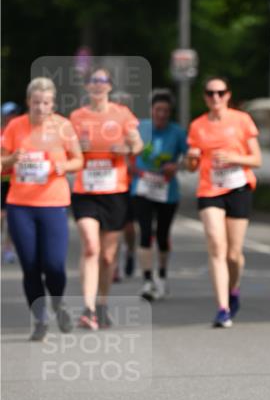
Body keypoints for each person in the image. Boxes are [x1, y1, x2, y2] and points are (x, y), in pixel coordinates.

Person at [0, 78, 83, 340]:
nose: (40, 108)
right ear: (28, 103)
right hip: (20, 205)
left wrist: (63, 167)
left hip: (53, 203)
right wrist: (12, 159)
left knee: (54, 265)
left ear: (53, 104)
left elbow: (78, 160)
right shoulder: (15, 126)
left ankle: (58, 302)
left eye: (46, 103)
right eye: (36, 103)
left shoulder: (63, 126)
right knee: (31, 266)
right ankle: (40, 320)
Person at [69, 67, 143, 330]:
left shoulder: (121, 114)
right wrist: (78, 148)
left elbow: (137, 143)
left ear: (110, 86)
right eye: (93, 81)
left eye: (103, 81)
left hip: (115, 192)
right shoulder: (77, 117)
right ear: (87, 87)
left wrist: (126, 148)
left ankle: (101, 304)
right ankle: (87, 309)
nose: (98, 85)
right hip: (85, 192)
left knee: (108, 258)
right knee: (90, 246)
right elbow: (65, 148)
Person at [186, 76, 261, 328]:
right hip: (209, 190)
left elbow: (256, 159)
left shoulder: (241, 120)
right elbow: (190, 167)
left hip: (238, 187)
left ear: (228, 95)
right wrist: (192, 157)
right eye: (210, 93)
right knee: (216, 246)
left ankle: (234, 288)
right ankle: (222, 308)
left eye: (220, 93)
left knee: (233, 255)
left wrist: (233, 157)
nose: (215, 97)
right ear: (205, 97)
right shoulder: (197, 126)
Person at [130, 89, 187, 300]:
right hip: (142, 188)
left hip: (167, 191)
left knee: (162, 235)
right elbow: (126, 151)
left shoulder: (177, 132)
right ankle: (147, 280)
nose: (161, 114)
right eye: (158, 110)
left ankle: (162, 275)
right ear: (151, 110)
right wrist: (132, 167)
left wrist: (176, 165)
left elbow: (191, 159)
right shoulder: (140, 128)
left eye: (166, 111)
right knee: (145, 232)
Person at [1, 100, 21, 263]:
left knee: (9, 216)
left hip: (14, 180)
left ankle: (8, 248)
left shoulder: (19, 132)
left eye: (15, 114)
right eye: (9, 114)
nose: (12, 117)